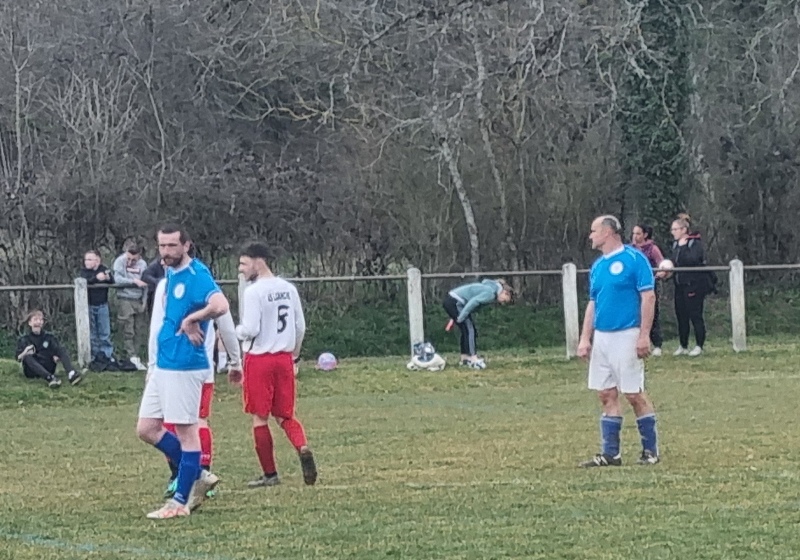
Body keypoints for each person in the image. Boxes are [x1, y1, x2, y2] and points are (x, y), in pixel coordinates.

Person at [135, 223, 231, 519]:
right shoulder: (170, 273)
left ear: (186, 245)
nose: (165, 252)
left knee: (187, 433)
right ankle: (198, 473)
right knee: (147, 428)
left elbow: (221, 305)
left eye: (172, 246)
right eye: (162, 246)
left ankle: (179, 503)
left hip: (184, 366)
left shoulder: (196, 273)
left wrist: (192, 320)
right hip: (164, 364)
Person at [148, 276, 243, 500]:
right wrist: (235, 360)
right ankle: (199, 473)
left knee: (171, 423)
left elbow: (156, 328)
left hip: (175, 366)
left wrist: (152, 365)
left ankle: (184, 475)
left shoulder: (169, 285)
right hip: (202, 370)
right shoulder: (203, 282)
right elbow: (226, 326)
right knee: (197, 421)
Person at [578, 215, 659, 467]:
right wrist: (585, 337)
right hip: (602, 337)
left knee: (633, 393)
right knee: (605, 393)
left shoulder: (635, 259)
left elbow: (648, 297)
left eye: (594, 231)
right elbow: (593, 303)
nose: (590, 236)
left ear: (608, 232)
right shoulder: (597, 266)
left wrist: (644, 335)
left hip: (627, 334)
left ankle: (650, 451)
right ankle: (611, 454)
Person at [235, 242, 317, 488]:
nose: (241, 269)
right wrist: (294, 355)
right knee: (285, 415)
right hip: (284, 358)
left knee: (260, 417)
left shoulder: (254, 292)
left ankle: (270, 474)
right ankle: (302, 447)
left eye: (244, 263)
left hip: (259, 359)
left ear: (258, 261)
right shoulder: (288, 288)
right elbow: (300, 326)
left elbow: (250, 329)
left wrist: (235, 331)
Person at [442, 279, 513, 369]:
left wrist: (455, 318)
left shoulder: (490, 289)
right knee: (470, 330)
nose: (502, 303)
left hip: (452, 300)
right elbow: (473, 302)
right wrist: (461, 317)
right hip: (455, 302)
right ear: (505, 293)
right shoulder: (490, 293)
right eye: (504, 301)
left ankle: (465, 358)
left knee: (466, 329)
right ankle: (473, 358)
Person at [670, 214, 712, 357]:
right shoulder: (675, 245)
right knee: (681, 316)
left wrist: (683, 249)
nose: (673, 232)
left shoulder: (694, 243)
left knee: (695, 315)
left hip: (693, 285)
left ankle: (699, 345)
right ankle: (683, 345)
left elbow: (694, 259)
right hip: (679, 285)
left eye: (675, 229)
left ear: (683, 230)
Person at [15, 310, 82, 388]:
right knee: (27, 357)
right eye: (35, 319)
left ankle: (71, 374)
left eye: (40, 320)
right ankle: (50, 378)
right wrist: (25, 352)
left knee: (62, 349)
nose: (38, 322)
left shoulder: (49, 337)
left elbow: (57, 350)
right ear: (30, 323)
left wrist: (56, 356)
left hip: (48, 366)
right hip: (31, 371)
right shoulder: (24, 339)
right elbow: (18, 358)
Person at [113, 240, 149, 370]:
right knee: (128, 329)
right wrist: (134, 281)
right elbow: (117, 279)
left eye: (133, 260)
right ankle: (130, 355)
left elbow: (145, 284)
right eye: (128, 258)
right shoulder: (119, 261)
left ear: (139, 256)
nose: (130, 262)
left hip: (138, 299)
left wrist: (144, 301)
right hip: (125, 298)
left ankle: (137, 356)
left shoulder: (143, 264)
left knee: (139, 329)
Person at [631, 224, 665, 356]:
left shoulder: (652, 249)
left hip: (649, 286)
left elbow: (661, 264)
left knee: (652, 313)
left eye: (638, 234)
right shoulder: (631, 249)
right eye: (634, 233)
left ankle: (657, 344)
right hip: (633, 287)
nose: (635, 236)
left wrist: (659, 273)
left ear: (645, 235)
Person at [79, 250, 116, 367]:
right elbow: (84, 281)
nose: (87, 262)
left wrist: (107, 277)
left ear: (97, 261)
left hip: (102, 306)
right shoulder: (84, 272)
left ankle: (107, 355)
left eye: (90, 259)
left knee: (104, 332)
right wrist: (96, 278)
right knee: (93, 333)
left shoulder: (104, 269)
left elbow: (112, 281)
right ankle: (95, 356)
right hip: (89, 306)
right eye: (86, 259)